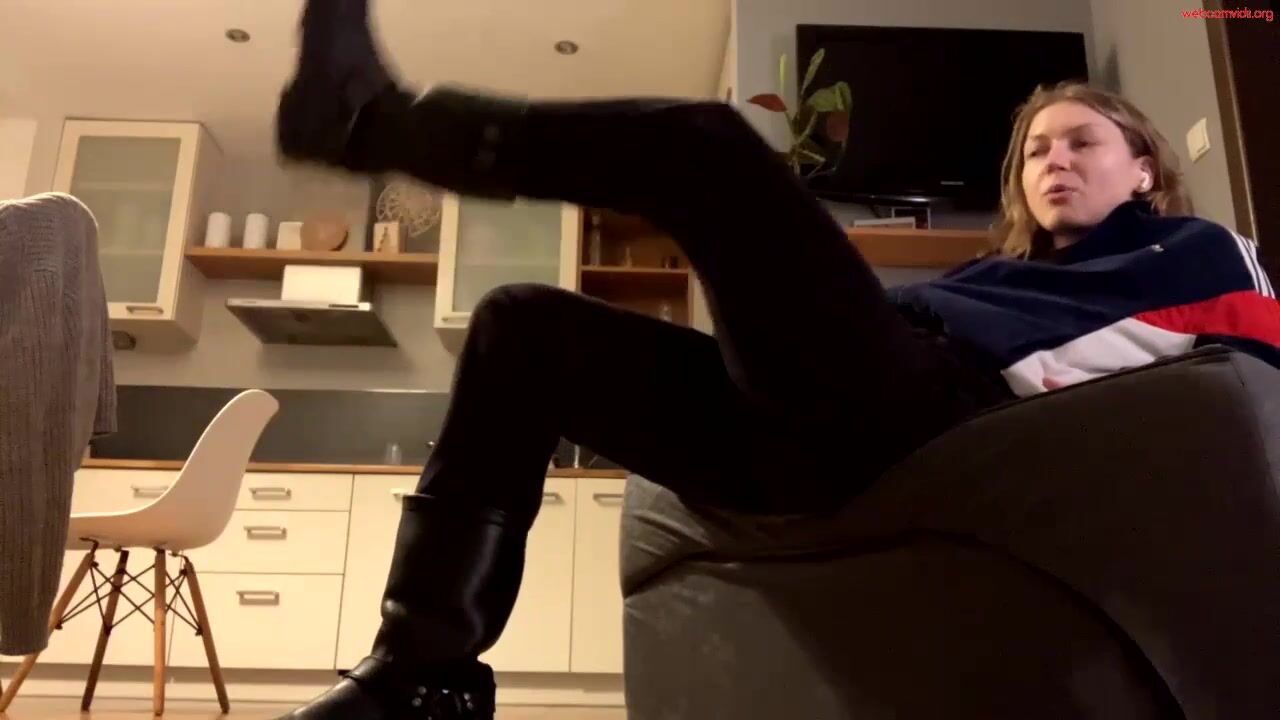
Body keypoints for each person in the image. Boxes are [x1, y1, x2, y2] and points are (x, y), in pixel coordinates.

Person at [273, 3, 1280, 718]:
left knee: (708, 146)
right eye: (1033, 150)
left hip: (931, 422)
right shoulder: (994, 274)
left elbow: (1251, 401)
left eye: (1081, 143)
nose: (1052, 160)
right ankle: (422, 676)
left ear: (1142, 166)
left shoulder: (1193, 251)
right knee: (519, 325)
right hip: (816, 433)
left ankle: (369, 121)